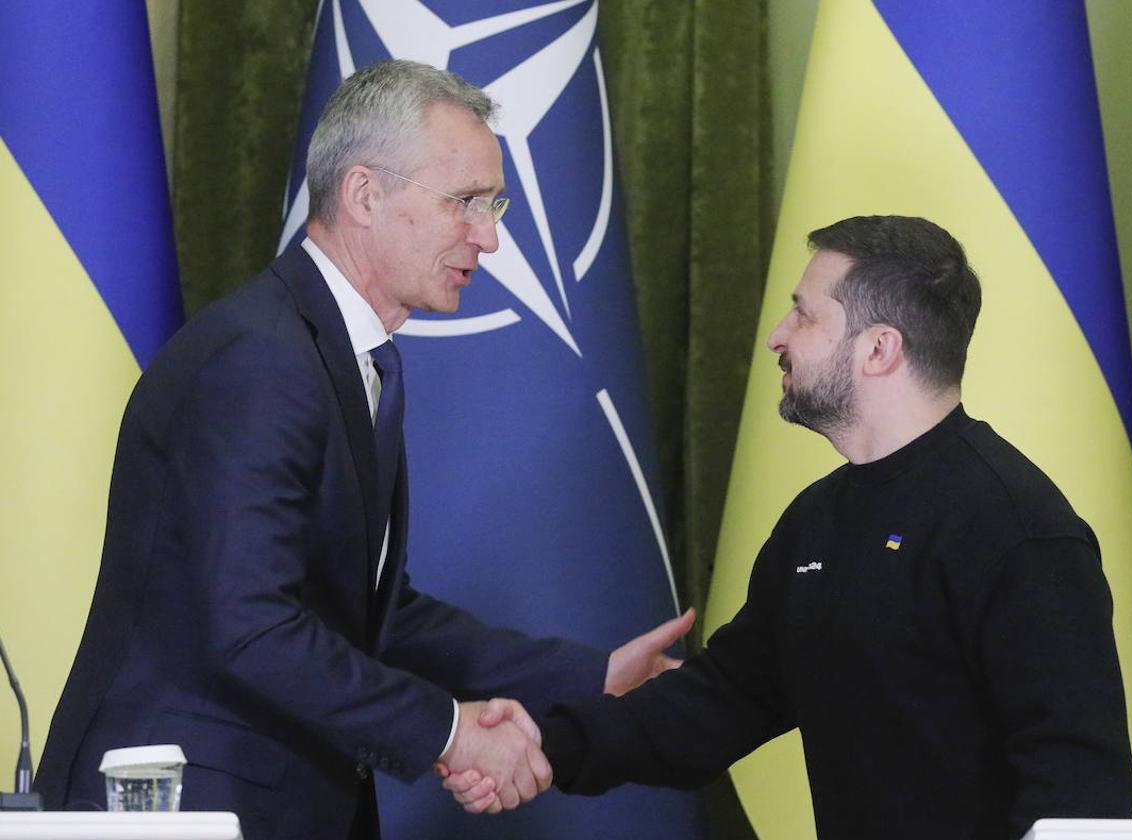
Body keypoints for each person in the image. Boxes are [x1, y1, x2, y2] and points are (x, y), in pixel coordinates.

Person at [33, 59, 693, 840]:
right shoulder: (261, 359)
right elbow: (254, 625)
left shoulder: (351, 358)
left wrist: (585, 675)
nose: (488, 235)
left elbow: (374, 612)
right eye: (466, 203)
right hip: (179, 800)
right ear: (364, 194)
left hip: (281, 801)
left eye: (495, 203)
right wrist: (450, 732)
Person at [446, 215, 1132, 838]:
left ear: (878, 350)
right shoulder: (818, 520)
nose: (777, 336)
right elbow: (721, 701)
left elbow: (1080, 790)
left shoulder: (1019, 531)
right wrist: (542, 739)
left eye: (803, 316)